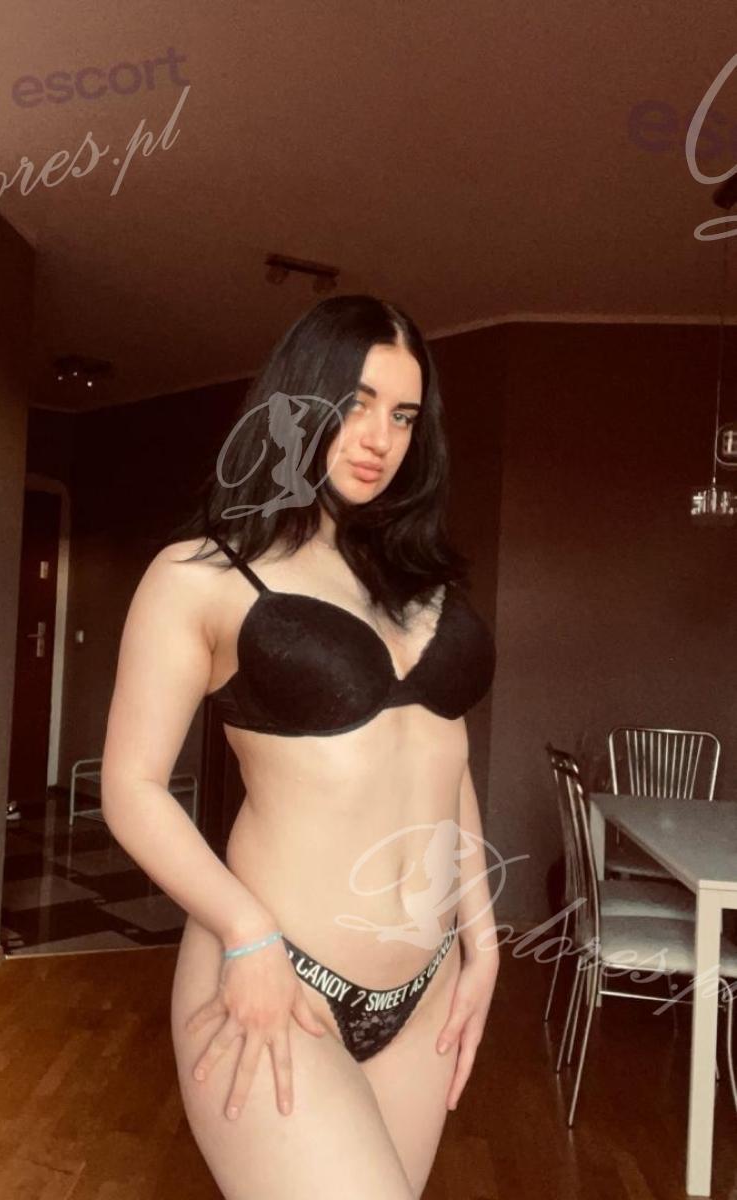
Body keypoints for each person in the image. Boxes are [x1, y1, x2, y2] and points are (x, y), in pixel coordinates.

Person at [101, 294, 500, 1200]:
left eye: (404, 416)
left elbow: (445, 760)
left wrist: (482, 940)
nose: (379, 438)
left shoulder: (415, 579)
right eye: (356, 403)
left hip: (427, 983)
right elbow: (131, 786)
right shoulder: (201, 574)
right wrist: (247, 937)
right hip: (282, 973)